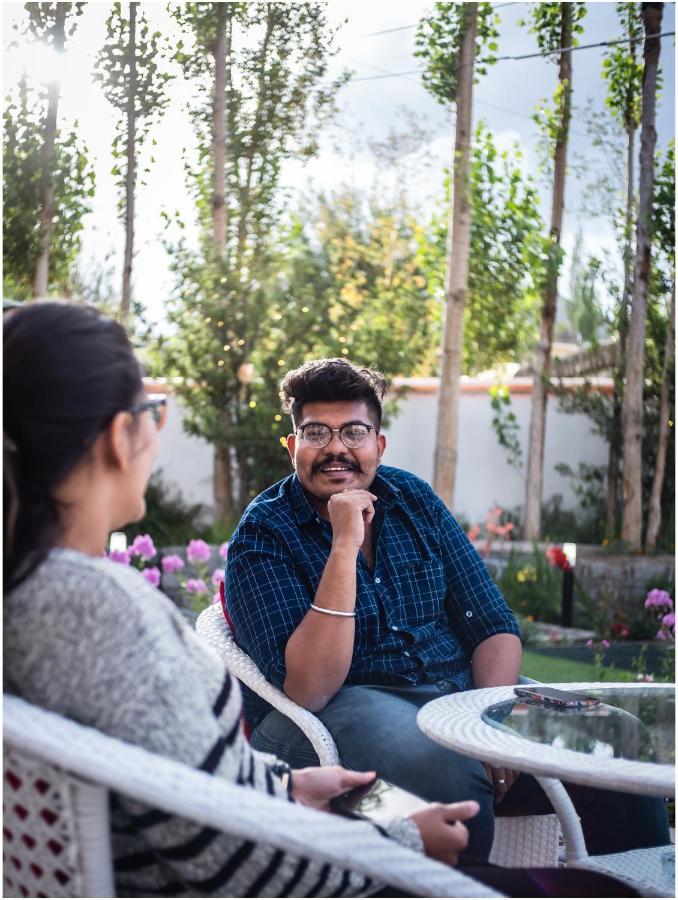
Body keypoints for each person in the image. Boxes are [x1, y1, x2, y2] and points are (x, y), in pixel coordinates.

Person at [4, 302, 481, 898]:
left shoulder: (26, 593)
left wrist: (289, 787)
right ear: (117, 437)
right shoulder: (97, 616)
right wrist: (403, 842)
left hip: (266, 806)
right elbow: (233, 859)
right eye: (151, 412)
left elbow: (192, 783)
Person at [225, 357, 670, 864]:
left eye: (354, 431)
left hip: (458, 696)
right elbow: (309, 688)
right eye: (315, 432)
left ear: (379, 444)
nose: (335, 448)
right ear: (292, 446)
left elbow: (493, 626)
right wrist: (343, 545)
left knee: (614, 739)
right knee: (449, 771)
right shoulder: (264, 534)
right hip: (328, 717)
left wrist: (493, 721)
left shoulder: (412, 498)